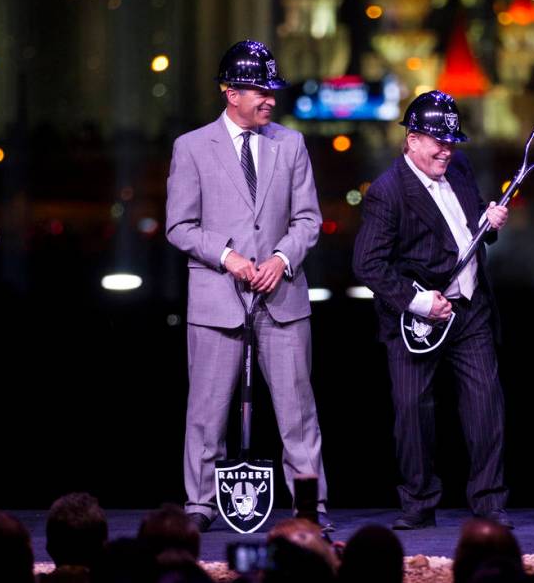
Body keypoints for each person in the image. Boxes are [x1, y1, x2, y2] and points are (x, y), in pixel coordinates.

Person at [166, 39, 329, 532]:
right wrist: (229, 257)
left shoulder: (291, 144)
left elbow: (308, 219)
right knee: (206, 411)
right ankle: (199, 505)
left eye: (271, 90)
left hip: (281, 298)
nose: (270, 99)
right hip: (218, 298)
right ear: (229, 92)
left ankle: (309, 507)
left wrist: (281, 257)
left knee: (298, 412)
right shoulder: (191, 148)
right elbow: (179, 225)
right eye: (260, 90)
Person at [353, 90, 511, 530]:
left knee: (485, 404)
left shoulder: (457, 167)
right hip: (415, 320)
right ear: (412, 140)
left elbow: (470, 228)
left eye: (451, 141)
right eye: (438, 141)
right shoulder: (389, 193)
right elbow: (367, 264)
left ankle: (489, 502)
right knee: (412, 408)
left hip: (471, 309)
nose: (447, 149)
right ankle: (418, 503)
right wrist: (420, 301)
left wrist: (489, 222)